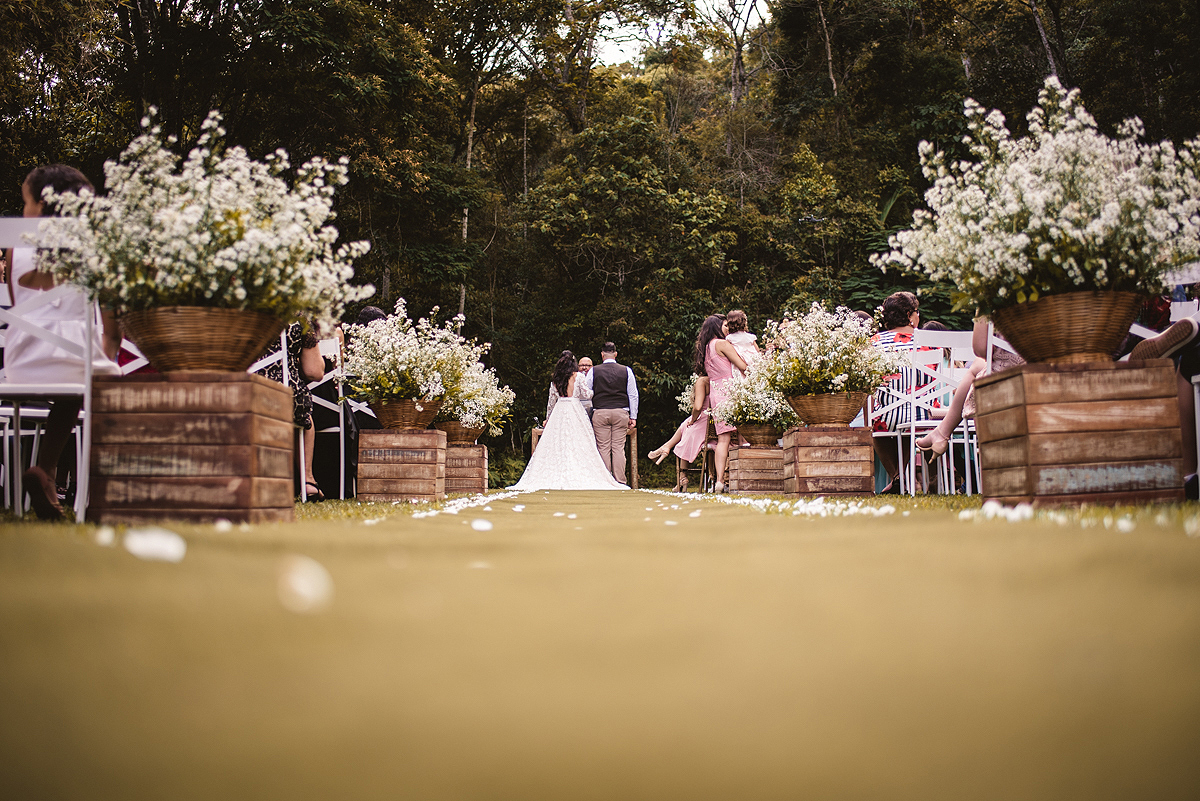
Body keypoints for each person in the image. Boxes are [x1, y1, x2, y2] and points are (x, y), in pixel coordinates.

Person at [5, 165, 120, 519]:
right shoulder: (97, 247)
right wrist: (108, 354)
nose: (23, 211)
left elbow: (18, 306)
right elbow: (112, 325)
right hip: (75, 362)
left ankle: (46, 476)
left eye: (25, 203)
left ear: (42, 204)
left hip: (20, 361)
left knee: (76, 376)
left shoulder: (13, 246)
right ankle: (58, 474)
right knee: (88, 378)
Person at [511, 351, 625, 490]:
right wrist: (594, 391)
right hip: (575, 409)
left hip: (559, 409)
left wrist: (548, 418)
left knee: (558, 442)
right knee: (579, 441)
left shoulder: (556, 379)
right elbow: (587, 395)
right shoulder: (579, 376)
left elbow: (551, 402)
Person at [261, 319, 325, 501]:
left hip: (245, 392)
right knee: (305, 419)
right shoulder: (298, 318)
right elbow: (314, 372)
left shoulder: (240, 310)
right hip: (288, 397)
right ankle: (308, 481)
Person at [870, 291, 926, 493]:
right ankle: (900, 477)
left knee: (876, 423)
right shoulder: (928, 341)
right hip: (924, 415)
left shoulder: (875, 342)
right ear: (909, 315)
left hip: (887, 416)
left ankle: (897, 477)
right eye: (917, 312)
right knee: (909, 417)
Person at [698, 315, 749, 493]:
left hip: (717, 394)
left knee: (723, 439)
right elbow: (742, 365)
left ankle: (719, 481)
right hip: (731, 391)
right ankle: (742, 477)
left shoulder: (707, 347)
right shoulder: (722, 344)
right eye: (725, 325)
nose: (728, 328)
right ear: (717, 327)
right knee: (743, 436)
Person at [588, 342, 639, 485]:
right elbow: (633, 395)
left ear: (602, 355)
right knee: (618, 448)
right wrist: (633, 416)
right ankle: (620, 481)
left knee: (603, 448)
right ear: (615, 354)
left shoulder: (594, 371)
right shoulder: (626, 370)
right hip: (620, 412)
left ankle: (605, 481)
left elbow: (586, 393)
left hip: (600, 411)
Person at [647, 375, 711, 465]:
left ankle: (683, 471)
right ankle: (666, 446)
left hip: (708, 422)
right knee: (687, 423)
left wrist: (693, 420)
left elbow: (697, 408)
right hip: (716, 419)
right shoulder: (721, 379)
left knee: (688, 429)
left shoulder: (703, 381)